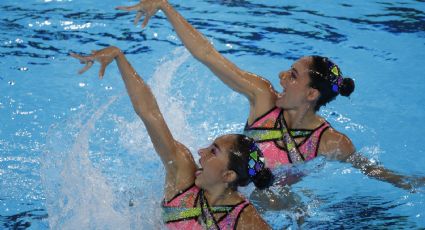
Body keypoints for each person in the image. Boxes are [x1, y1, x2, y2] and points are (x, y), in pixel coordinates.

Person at [115, 0, 425, 191]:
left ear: (311, 94)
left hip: (265, 204)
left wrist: (413, 183)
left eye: (292, 76)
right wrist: (167, 7)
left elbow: (371, 170)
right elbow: (208, 55)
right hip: (221, 186)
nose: (281, 77)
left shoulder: (331, 143)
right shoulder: (262, 97)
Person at [70, 46, 273, 229]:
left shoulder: (246, 221)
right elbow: (149, 112)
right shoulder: (181, 169)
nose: (200, 152)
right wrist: (118, 57)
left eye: (213, 151)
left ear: (228, 175)